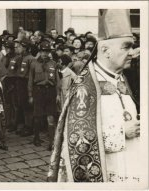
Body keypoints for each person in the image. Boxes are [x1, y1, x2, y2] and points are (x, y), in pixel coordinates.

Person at [48, 9, 141, 182]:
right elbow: (76, 141)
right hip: (106, 174)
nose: (132, 53)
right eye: (126, 46)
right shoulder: (86, 86)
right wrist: (122, 133)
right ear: (105, 50)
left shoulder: (122, 77)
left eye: (132, 46)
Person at [28, 41, 58, 147]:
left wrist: (57, 94)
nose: (45, 53)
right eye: (43, 51)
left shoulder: (53, 64)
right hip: (38, 91)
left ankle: (51, 142)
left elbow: (57, 80)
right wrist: (30, 95)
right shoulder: (34, 63)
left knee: (51, 117)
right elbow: (30, 80)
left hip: (50, 91)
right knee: (37, 116)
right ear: (40, 52)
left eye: (47, 51)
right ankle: (36, 138)